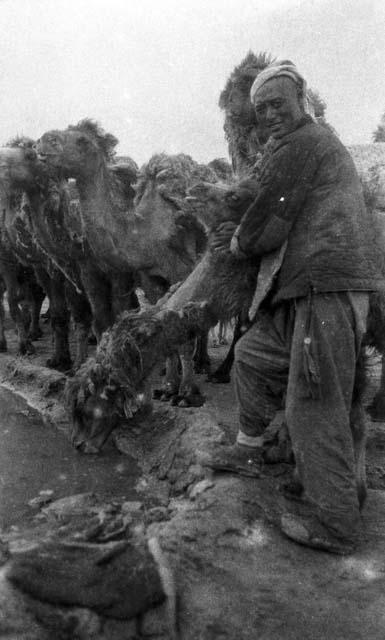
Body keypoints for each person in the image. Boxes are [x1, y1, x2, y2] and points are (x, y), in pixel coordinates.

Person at [209, 62, 384, 554]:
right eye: (261, 109)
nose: (270, 115)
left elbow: (269, 219)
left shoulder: (302, 142)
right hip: (304, 289)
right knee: (252, 356)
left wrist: (237, 243)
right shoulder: (301, 145)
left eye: (277, 104)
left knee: (313, 405)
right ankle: (249, 450)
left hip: (324, 289)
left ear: (301, 101)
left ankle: (337, 526)